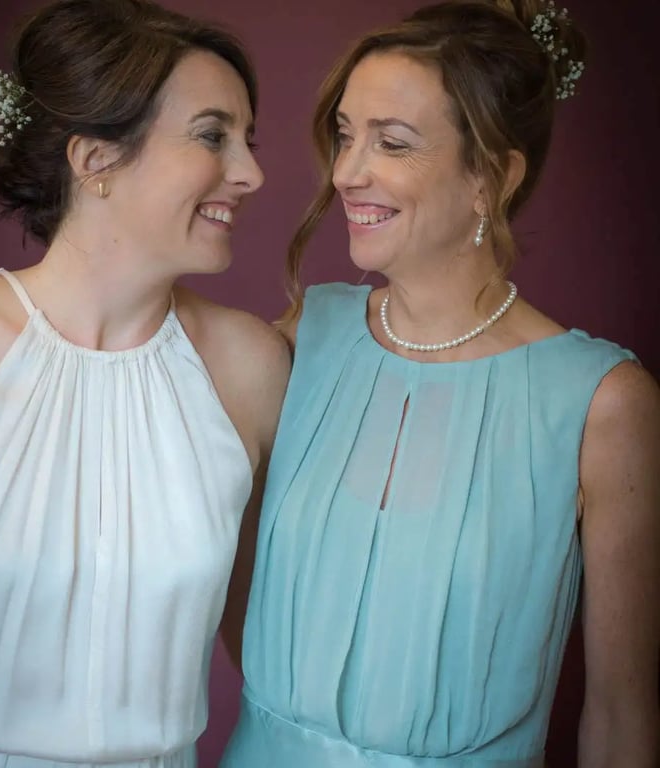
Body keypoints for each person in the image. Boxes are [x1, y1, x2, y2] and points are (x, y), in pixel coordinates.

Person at [220, 2, 660, 767]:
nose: (345, 172)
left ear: (492, 177)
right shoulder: (301, 338)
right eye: (345, 134)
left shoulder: (602, 405)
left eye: (391, 142)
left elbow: (621, 717)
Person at [0, 0, 290, 765]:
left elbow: (265, 639)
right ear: (95, 160)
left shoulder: (251, 367)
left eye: (248, 139)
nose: (251, 173)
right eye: (213, 135)